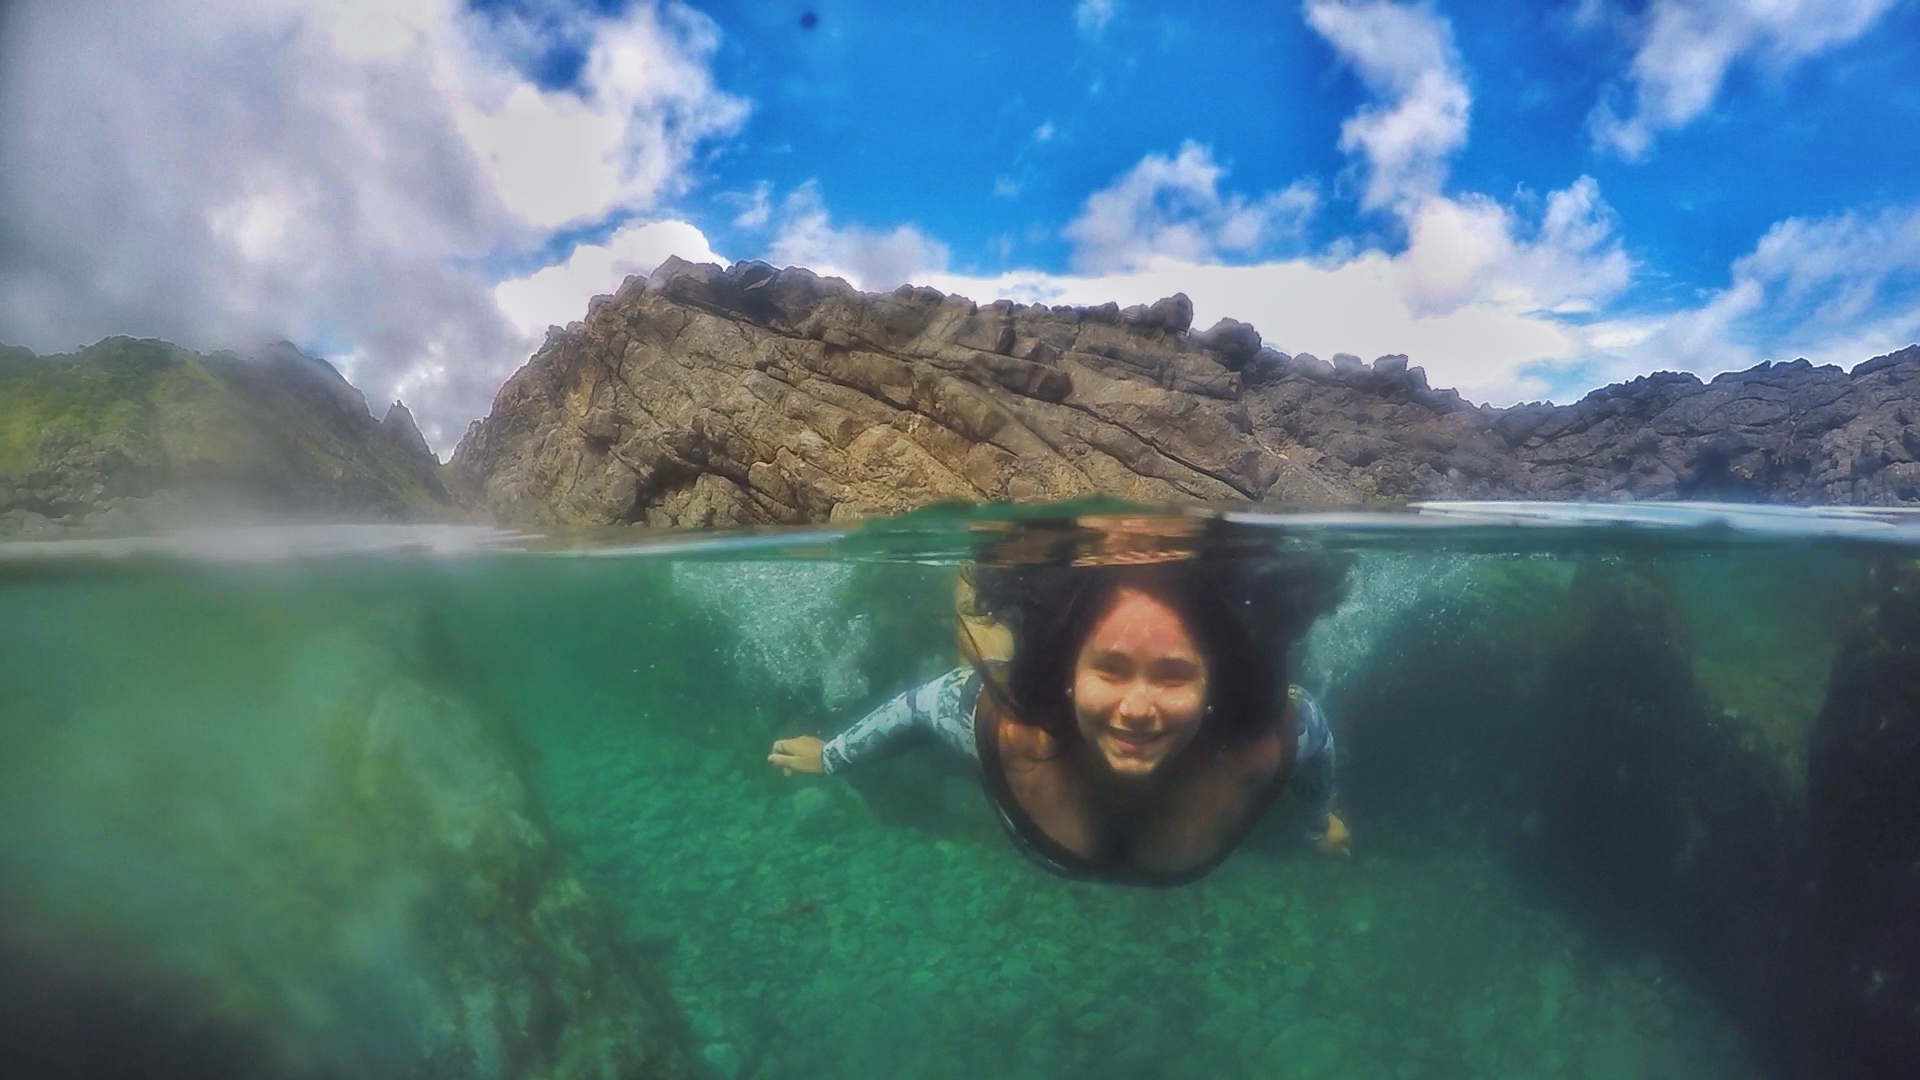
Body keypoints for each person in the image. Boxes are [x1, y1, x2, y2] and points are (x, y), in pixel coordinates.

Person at [768, 513, 1350, 886]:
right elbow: (920, 706)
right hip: (1030, 683)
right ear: (1071, 672)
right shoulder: (1006, 728)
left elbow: (1316, 741)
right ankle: (986, 574)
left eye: (1174, 676)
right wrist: (832, 757)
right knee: (984, 650)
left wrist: (1313, 825)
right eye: (1111, 668)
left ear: (1212, 685)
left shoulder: (1265, 743)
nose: (1138, 709)